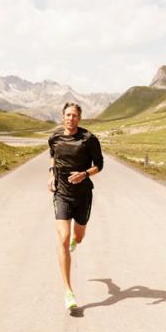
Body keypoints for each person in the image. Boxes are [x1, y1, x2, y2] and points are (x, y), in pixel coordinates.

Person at [48, 102, 103, 311]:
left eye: (74, 115)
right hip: (61, 194)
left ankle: (75, 239)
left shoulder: (89, 139)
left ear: (79, 118)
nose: (71, 118)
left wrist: (85, 174)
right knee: (61, 238)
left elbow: (100, 164)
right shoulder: (54, 138)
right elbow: (53, 157)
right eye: (67, 115)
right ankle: (68, 291)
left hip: (83, 196)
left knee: (77, 238)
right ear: (62, 117)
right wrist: (51, 175)